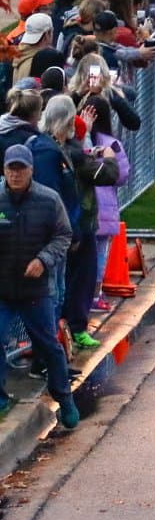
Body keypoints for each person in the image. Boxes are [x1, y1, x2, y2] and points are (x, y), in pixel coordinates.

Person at [0, 144, 79, 427]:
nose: (16, 174)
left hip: (36, 291)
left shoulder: (48, 200)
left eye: (21, 168)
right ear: (4, 170)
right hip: (4, 290)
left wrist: (43, 260)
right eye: (11, 168)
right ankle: (0, 398)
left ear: (31, 170)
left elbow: (63, 235)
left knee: (49, 345)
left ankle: (65, 398)